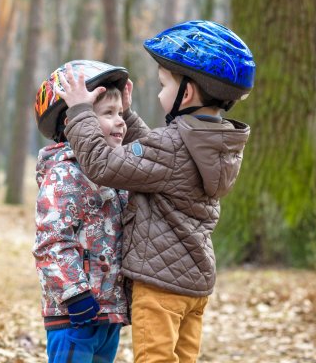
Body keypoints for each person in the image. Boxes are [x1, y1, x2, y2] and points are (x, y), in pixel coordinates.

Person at [56, 20, 255, 363]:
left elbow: (103, 164)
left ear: (186, 94)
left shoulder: (171, 146)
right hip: (194, 286)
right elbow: (157, 161)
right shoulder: (217, 144)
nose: (160, 93)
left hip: (160, 286)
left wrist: (80, 112)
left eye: (164, 85)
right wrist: (128, 117)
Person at [33, 60, 135, 363]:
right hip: (74, 314)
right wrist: (75, 294)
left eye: (120, 113)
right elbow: (51, 241)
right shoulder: (64, 174)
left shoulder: (115, 172)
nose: (120, 122)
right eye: (108, 113)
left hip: (108, 312)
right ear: (73, 122)